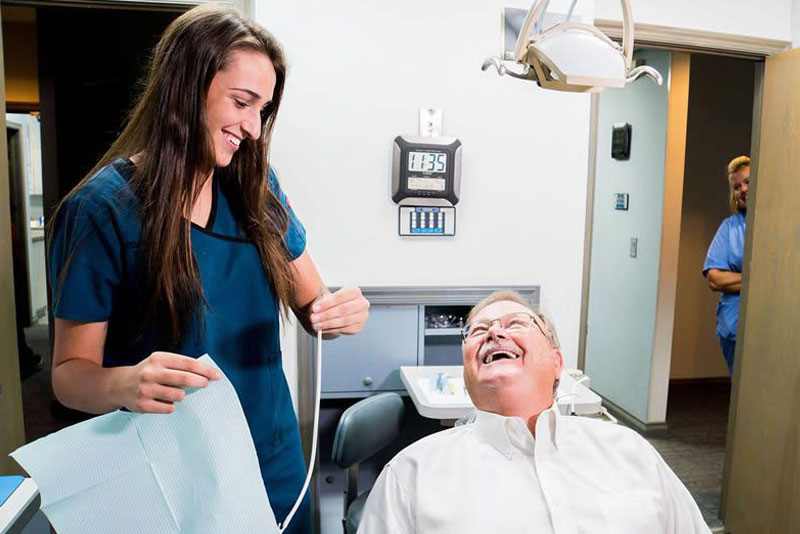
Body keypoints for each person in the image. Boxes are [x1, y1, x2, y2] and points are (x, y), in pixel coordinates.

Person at [46, 6, 369, 534]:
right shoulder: (103, 210)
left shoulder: (257, 195)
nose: (253, 128)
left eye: (263, 109)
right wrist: (125, 384)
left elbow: (313, 303)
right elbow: (68, 376)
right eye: (241, 103)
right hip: (174, 475)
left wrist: (336, 311)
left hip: (273, 461)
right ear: (184, 89)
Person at [358, 291, 710, 534]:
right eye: (478, 330)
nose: (495, 332)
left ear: (557, 362)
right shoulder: (411, 476)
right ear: (465, 374)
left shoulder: (629, 452)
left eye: (515, 324)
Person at [703, 155, 749, 376]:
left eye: (748, 182)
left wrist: (739, 278)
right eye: (737, 186)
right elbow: (714, 278)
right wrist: (757, 280)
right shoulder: (729, 228)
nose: (743, 190)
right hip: (733, 326)